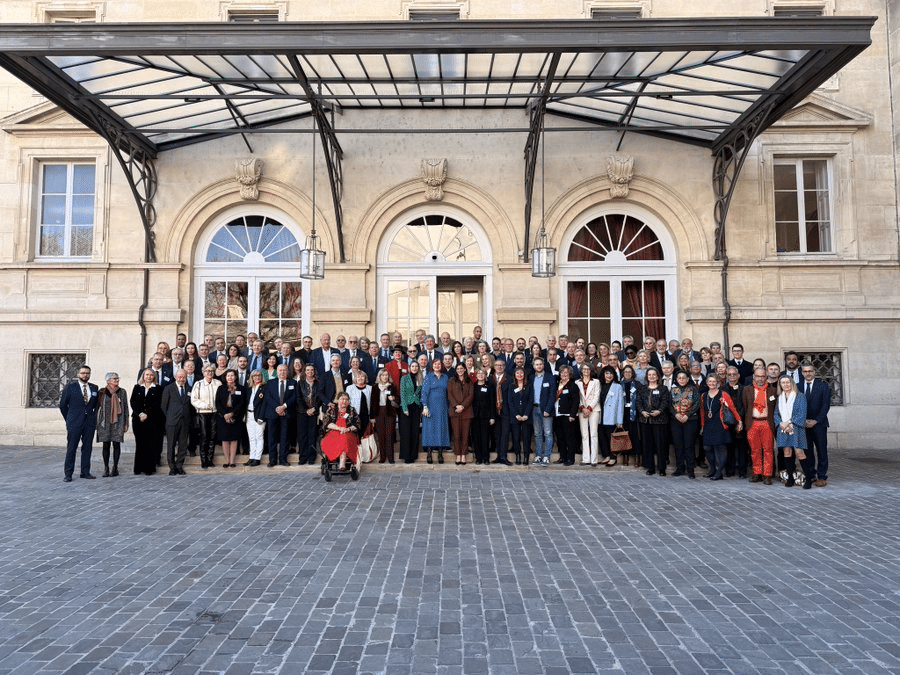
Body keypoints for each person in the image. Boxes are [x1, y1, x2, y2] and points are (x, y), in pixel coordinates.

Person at [59, 364, 100, 481]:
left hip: (89, 423)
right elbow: (63, 405)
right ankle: (68, 474)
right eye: (83, 373)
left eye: (87, 373)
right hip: (74, 422)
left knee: (87, 448)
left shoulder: (94, 388)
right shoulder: (70, 387)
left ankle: (85, 472)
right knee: (72, 448)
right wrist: (69, 419)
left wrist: (93, 417)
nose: (85, 375)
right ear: (78, 374)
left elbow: (96, 405)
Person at [700, 374, 742, 480]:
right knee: (707, 448)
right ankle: (712, 469)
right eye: (710, 381)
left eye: (714, 381)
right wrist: (702, 425)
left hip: (720, 425)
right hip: (708, 425)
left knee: (720, 448)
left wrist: (739, 421)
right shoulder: (704, 396)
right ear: (707, 383)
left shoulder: (723, 394)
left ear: (718, 383)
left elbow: (732, 408)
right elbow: (702, 411)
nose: (712, 383)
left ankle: (719, 472)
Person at [774, 375, 808, 488]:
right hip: (783, 429)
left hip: (796, 428)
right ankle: (790, 478)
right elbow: (776, 413)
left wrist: (789, 423)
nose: (786, 385)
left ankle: (808, 478)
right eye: (783, 383)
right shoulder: (780, 397)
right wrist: (781, 424)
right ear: (780, 385)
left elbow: (801, 413)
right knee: (787, 452)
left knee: (799, 452)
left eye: (788, 382)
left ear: (792, 383)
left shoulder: (800, 396)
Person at [635, 366, 670, 476]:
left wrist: (659, 411)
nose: (652, 376)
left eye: (654, 375)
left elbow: (665, 401)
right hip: (645, 420)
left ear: (658, 376)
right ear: (647, 377)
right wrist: (642, 411)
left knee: (660, 445)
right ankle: (650, 467)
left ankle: (662, 468)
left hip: (659, 421)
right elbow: (638, 402)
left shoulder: (663, 389)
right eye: (649, 375)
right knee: (647, 445)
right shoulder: (642, 389)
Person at [801, 363, 830, 487]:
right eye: (805, 371)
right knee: (807, 451)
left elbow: (826, 405)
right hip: (803, 424)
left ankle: (822, 476)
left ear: (814, 372)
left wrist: (816, 421)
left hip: (819, 424)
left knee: (821, 450)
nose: (808, 373)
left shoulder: (823, 386)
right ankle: (811, 474)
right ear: (802, 373)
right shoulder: (797, 386)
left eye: (810, 371)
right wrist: (802, 420)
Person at [131, 368, 164, 475]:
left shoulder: (158, 388)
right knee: (140, 443)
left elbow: (158, 403)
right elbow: (133, 402)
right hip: (138, 419)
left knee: (151, 444)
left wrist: (147, 414)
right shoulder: (137, 387)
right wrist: (140, 413)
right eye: (147, 375)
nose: (149, 377)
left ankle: (149, 468)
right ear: (143, 376)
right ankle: (138, 468)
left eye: (151, 375)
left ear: (154, 377)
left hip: (152, 420)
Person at [95, 372, 129, 478]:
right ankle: (106, 468)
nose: (117, 380)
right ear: (108, 381)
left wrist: (126, 422)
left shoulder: (122, 392)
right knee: (105, 445)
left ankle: (115, 467)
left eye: (117, 378)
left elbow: (125, 407)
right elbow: (97, 407)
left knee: (116, 444)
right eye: (114, 379)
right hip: (104, 422)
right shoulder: (102, 392)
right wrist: (96, 423)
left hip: (118, 422)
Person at [160, 368, 193, 475]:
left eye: (183, 377)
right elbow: (164, 406)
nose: (181, 379)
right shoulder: (168, 388)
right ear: (175, 377)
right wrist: (170, 417)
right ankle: (172, 467)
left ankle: (179, 466)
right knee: (171, 445)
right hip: (172, 422)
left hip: (185, 421)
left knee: (183, 445)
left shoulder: (189, 388)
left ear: (186, 378)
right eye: (179, 377)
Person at [262, 363, 296, 467]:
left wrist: (284, 406)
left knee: (285, 438)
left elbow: (294, 397)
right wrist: (277, 408)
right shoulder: (270, 382)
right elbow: (268, 397)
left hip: (286, 413)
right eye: (280, 370)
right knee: (272, 437)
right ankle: (272, 460)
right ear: (277, 372)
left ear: (287, 372)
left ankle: (283, 459)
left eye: (284, 370)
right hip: (273, 413)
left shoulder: (293, 383)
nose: (282, 372)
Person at [669, 370, 700, 478]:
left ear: (687, 379)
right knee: (678, 445)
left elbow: (696, 403)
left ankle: (691, 469)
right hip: (676, 420)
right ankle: (680, 468)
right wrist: (676, 415)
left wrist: (688, 415)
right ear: (676, 379)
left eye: (684, 378)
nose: (681, 380)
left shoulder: (693, 389)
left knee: (689, 445)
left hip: (690, 421)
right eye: (679, 378)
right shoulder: (673, 390)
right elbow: (669, 405)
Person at [215, 369, 248, 469]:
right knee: (225, 439)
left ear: (235, 377)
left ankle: (232, 461)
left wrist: (232, 413)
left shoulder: (241, 388)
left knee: (234, 438)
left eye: (232, 375)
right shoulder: (221, 388)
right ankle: (227, 461)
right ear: (225, 377)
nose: (230, 377)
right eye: (228, 376)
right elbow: (217, 403)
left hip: (236, 416)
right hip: (223, 417)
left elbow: (242, 403)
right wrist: (225, 414)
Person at [190, 365, 221, 469]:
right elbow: (194, 399)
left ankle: (210, 459)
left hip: (214, 413)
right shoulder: (198, 384)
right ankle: (203, 460)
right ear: (203, 373)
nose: (209, 373)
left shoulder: (218, 383)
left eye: (211, 371)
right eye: (207, 371)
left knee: (213, 436)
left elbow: (221, 398)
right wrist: (205, 405)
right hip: (203, 413)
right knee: (204, 436)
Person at [321, 392, 360, 471]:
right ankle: (340, 462)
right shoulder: (332, 409)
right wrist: (339, 428)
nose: (344, 401)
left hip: (348, 432)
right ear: (337, 400)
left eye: (346, 399)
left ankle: (342, 463)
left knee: (344, 438)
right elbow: (326, 423)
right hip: (334, 432)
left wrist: (348, 429)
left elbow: (357, 424)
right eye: (342, 399)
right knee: (331, 440)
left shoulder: (352, 410)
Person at [421, 359, 450, 464]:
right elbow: (424, 392)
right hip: (430, 406)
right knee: (430, 429)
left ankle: (440, 453)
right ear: (432, 366)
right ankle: (429, 453)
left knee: (441, 428)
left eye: (439, 364)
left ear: (441, 365)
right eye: (435, 364)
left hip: (442, 407)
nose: (437, 366)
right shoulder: (428, 377)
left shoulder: (445, 377)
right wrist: (425, 406)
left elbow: (448, 393)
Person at [529, 357, 556, 465]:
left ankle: (546, 456)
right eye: (537, 364)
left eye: (540, 364)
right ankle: (538, 456)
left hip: (545, 409)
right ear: (534, 366)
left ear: (543, 365)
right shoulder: (531, 377)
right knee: (537, 434)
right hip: (534, 409)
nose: (539, 366)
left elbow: (552, 395)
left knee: (548, 433)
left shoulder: (550, 377)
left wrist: (548, 409)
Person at [596, 366, 625, 467]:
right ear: (603, 375)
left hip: (611, 416)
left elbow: (620, 404)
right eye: (607, 373)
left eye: (611, 373)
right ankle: (606, 455)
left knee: (611, 438)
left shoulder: (618, 387)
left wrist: (619, 421)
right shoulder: (600, 385)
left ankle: (613, 457)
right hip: (600, 415)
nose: (609, 375)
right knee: (602, 436)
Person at [295, 364, 323, 466]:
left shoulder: (318, 383)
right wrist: (306, 409)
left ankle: (311, 457)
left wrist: (314, 408)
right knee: (302, 436)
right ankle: (303, 457)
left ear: (314, 371)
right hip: (302, 413)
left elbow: (320, 397)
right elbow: (298, 398)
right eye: (308, 370)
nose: (310, 372)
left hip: (314, 413)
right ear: (305, 371)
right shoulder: (300, 383)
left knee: (312, 435)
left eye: (312, 370)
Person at [553, 365, 581, 466]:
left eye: (566, 372)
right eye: (562, 372)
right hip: (557, 414)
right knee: (560, 437)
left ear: (570, 374)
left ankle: (571, 459)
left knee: (569, 438)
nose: (564, 374)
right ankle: (563, 457)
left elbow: (576, 401)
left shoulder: (573, 385)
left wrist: (572, 415)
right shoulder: (557, 384)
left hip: (568, 415)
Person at [448, 363, 475, 465]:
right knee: (456, 434)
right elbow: (450, 394)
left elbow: (471, 395)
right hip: (455, 411)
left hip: (466, 411)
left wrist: (463, 406)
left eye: (461, 368)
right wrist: (456, 406)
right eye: (458, 368)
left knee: (465, 434)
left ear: (464, 369)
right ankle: (458, 454)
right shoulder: (451, 381)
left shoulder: (469, 381)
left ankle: (463, 454)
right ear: (456, 370)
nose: (459, 370)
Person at [372, 368, 399, 463]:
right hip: (379, 412)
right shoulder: (375, 387)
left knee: (389, 435)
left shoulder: (392, 386)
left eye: (386, 375)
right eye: (383, 375)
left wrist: (393, 399)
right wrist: (372, 417)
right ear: (379, 376)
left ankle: (391, 457)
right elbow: (372, 403)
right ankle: (382, 457)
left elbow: (397, 401)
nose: (385, 377)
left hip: (389, 412)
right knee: (381, 435)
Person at [399, 360, 423, 464]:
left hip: (416, 407)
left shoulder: (420, 379)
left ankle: (413, 455)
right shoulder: (404, 378)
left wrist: (421, 407)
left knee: (415, 432)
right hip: (406, 407)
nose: (414, 368)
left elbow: (421, 394)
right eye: (412, 366)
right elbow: (402, 394)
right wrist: (405, 408)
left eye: (416, 366)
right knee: (406, 432)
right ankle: (406, 456)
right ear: (409, 368)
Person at [471, 368, 496, 465]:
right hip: (474, 416)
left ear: (485, 376)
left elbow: (492, 402)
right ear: (476, 375)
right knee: (476, 438)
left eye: (483, 374)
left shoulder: (489, 386)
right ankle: (478, 458)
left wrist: (492, 417)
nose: (480, 375)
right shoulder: (473, 386)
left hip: (486, 416)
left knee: (485, 437)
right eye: (479, 373)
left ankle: (486, 458)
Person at [508, 366, 532, 465]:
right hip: (515, 416)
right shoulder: (512, 386)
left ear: (524, 374)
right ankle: (517, 456)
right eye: (517, 373)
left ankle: (526, 457)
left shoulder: (529, 385)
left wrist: (526, 414)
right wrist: (516, 414)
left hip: (527, 416)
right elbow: (510, 402)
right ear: (514, 375)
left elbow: (530, 400)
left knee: (526, 438)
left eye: (521, 373)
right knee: (516, 437)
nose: (519, 375)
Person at [577, 363, 600, 466]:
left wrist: (589, 408)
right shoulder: (577, 382)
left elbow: (596, 396)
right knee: (584, 434)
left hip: (594, 410)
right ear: (581, 371)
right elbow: (577, 398)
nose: (586, 371)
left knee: (593, 434)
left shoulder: (596, 382)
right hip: (582, 410)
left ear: (591, 371)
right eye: (584, 369)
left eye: (588, 369)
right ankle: (586, 458)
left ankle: (594, 459)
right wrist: (583, 408)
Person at [491, 359, 513, 465]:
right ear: (494, 367)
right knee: (497, 435)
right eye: (497, 365)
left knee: (505, 434)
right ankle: (498, 456)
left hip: (506, 411)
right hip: (494, 411)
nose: (499, 367)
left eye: (501, 365)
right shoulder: (490, 379)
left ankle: (503, 457)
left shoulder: (510, 379)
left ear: (504, 367)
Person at [619, 365, 641, 467]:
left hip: (635, 412)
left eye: (629, 372)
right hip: (623, 412)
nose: (627, 373)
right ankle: (625, 456)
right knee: (624, 434)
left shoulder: (637, 384)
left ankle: (637, 456)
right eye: (626, 372)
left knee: (635, 435)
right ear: (623, 373)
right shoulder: (619, 385)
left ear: (632, 373)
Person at [244, 370, 266, 467]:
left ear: (261, 377)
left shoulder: (264, 388)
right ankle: (251, 457)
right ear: (251, 378)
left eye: (258, 375)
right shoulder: (249, 389)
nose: (256, 377)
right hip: (249, 415)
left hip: (259, 416)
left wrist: (262, 417)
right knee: (251, 437)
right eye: (254, 376)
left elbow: (265, 404)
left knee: (259, 437)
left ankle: (257, 458)